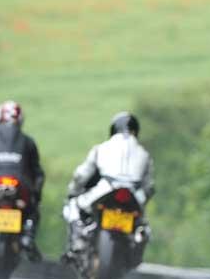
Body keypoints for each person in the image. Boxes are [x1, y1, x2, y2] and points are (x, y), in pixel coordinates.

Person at [62, 112, 154, 262]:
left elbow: (81, 175)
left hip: (105, 190)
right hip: (134, 196)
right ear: (136, 130)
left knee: (73, 205)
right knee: (143, 227)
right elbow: (149, 186)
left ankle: (76, 243)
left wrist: (73, 191)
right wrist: (142, 202)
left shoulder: (101, 148)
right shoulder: (144, 153)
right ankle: (136, 251)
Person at [0, 101, 44, 261]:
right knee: (33, 209)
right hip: (21, 187)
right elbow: (38, 173)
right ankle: (28, 237)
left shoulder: (27, 142)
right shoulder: (28, 141)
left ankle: (27, 237)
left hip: (11, 187)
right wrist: (36, 196)